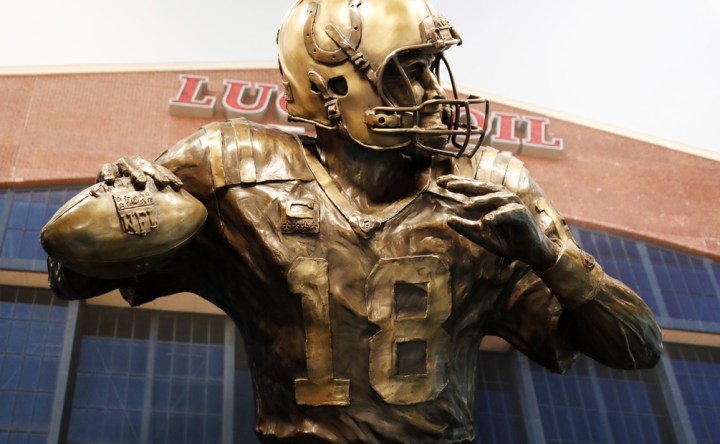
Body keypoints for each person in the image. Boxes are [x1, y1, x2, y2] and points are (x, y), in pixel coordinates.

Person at [48, 0, 662, 442]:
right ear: (332, 88)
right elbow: (71, 274)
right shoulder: (233, 167)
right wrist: (120, 207)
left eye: (431, 67)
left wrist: (552, 260)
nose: (432, 90)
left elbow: (637, 347)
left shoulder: (491, 187)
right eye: (409, 71)